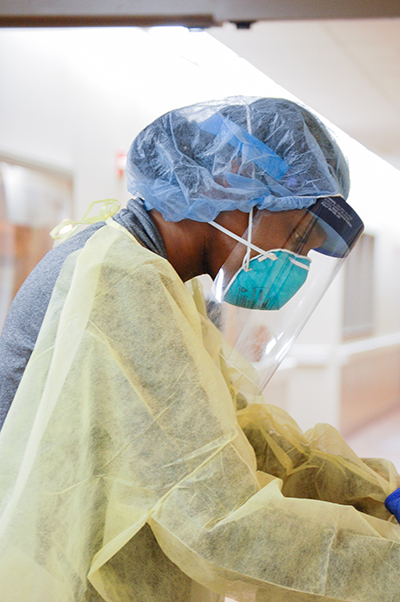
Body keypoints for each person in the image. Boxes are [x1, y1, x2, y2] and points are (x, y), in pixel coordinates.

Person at [0, 96, 399, 602]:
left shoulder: (158, 278)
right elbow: (217, 519)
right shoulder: (121, 281)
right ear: (234, 179)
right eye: (298, 237)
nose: (294, 260)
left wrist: (373, 489)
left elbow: (236, 434)